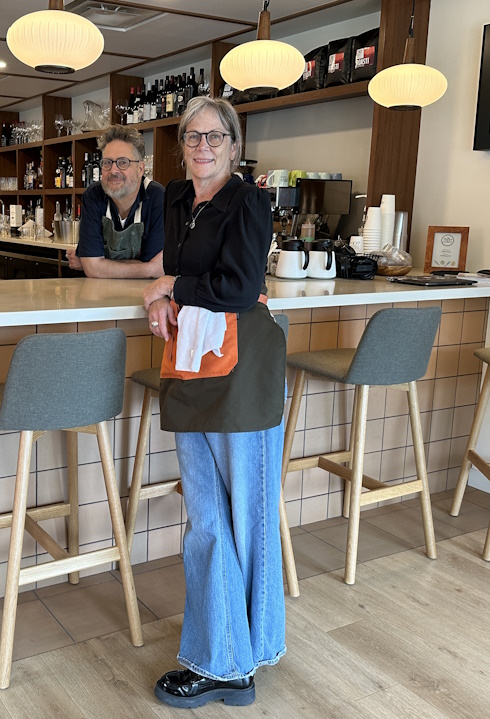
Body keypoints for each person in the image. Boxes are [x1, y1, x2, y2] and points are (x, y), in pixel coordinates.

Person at [142, 96, 287, 709]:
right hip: (192, 360)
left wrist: (173, 285)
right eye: (192, 137)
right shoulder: (176, 198)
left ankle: (242, 657)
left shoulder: (250, 201)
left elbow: (240, 287)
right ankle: (222, 656)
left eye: (214, 137)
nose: (202, 147)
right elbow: (176, 273)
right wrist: (161, 297)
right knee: (205, 516)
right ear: (183, 146)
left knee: (247, 512)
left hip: (243, 365)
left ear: (233, 143)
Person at [67, 125, 164, 278]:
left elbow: (159, 269)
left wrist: (98, 263)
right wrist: (148, 269)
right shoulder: (93, 196)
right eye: (107, 162)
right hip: (98, 295)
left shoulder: (157, 198)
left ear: (140, 169)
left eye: (123, 162)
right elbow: (92, 269)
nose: (113, 170)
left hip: (142, 294)